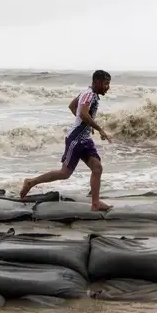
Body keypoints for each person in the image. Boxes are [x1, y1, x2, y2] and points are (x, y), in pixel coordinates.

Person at [19, 70, 114, 211]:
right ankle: (31, 182)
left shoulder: (88, 93)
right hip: (76, 139)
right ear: (98, 82)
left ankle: (95, 203)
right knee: (65, 173)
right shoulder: (89, 95)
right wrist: (98, 128)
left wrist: (87, 124)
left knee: (97, 168)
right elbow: (82, 112)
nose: (108, 87)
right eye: (106, 83)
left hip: (85, 139)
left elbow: (72, 106)